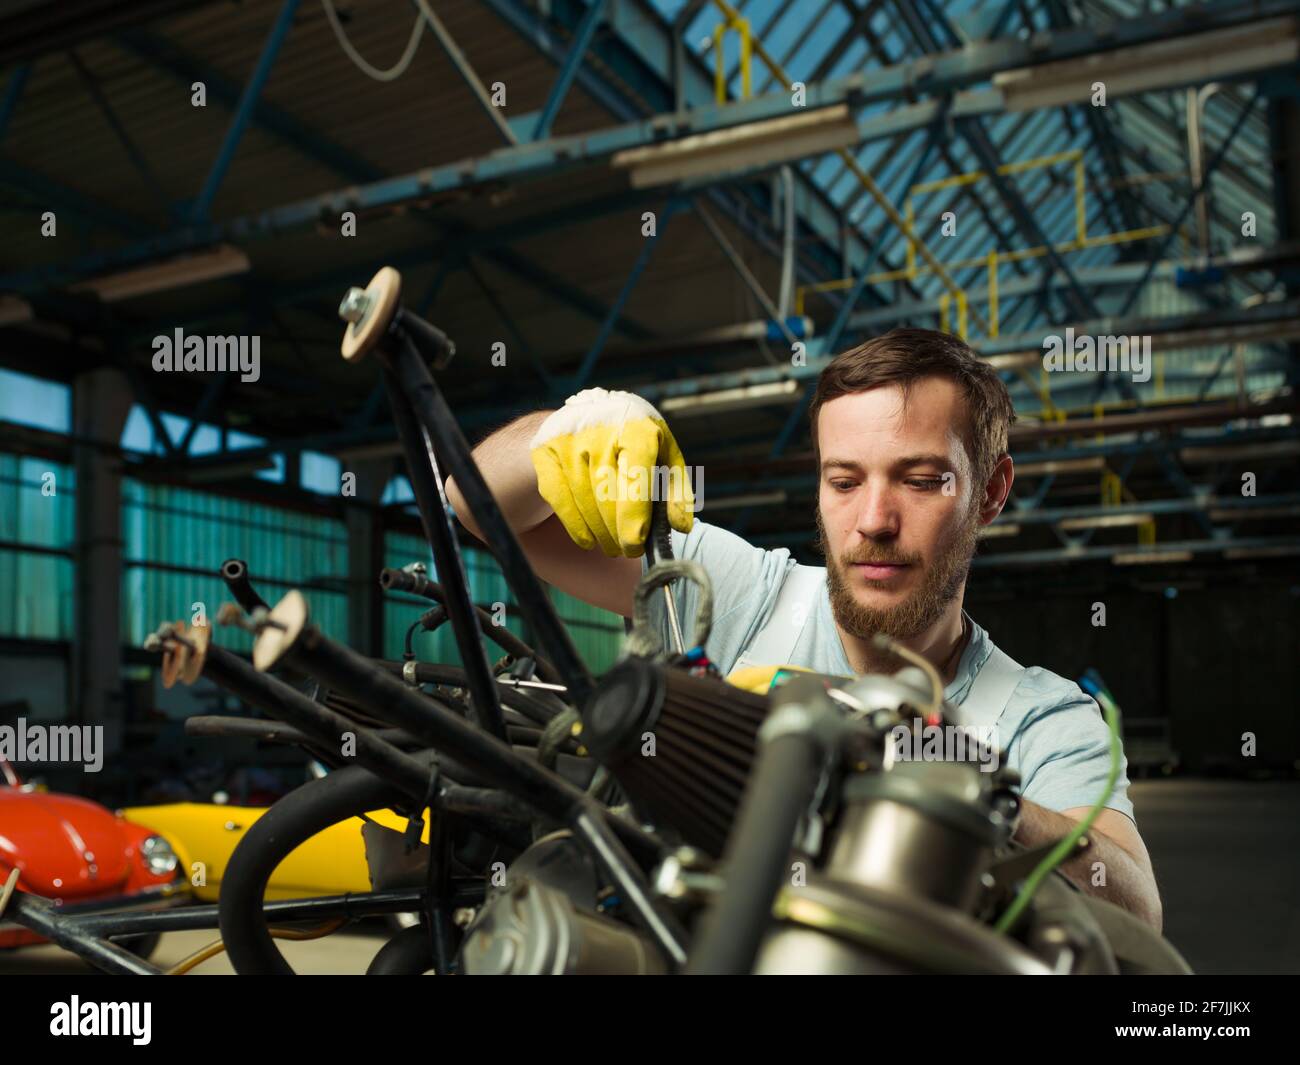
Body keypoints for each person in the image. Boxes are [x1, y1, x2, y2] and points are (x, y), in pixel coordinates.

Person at [446, 327, 1162, 931]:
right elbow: (474, 502)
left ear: (991, 491)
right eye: (844, 481)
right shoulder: (734, 594)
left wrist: (943, 766)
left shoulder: (1041, 716)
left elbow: (1136, 909)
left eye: (918, 480)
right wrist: (574, 424)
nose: (874, 521)